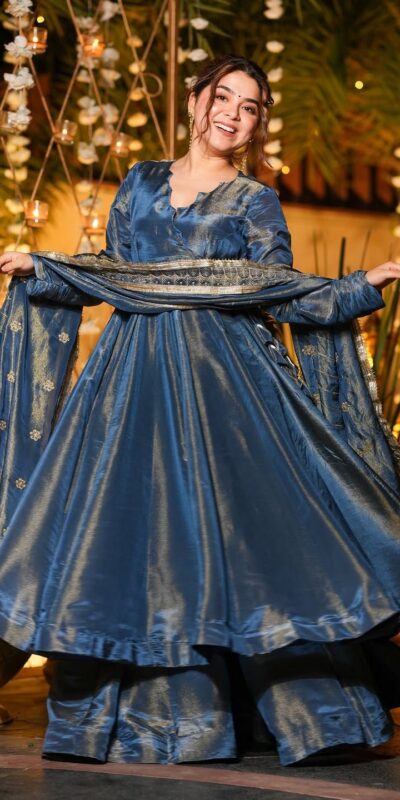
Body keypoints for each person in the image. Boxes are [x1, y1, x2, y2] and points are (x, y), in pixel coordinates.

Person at [0, 54, 400, 767]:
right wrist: (46, 267)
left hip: (228, 392)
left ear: (257, 124)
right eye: (224, 98)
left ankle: (305, 715)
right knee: (131, 537)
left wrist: (360, 286)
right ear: (194, 101)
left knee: (247, 542)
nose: (234, 116)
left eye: (250, 108)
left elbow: (278, 292)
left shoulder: (255, 201)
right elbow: (116, 272)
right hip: (131, 385)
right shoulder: (140, 181)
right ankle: (154, 715)